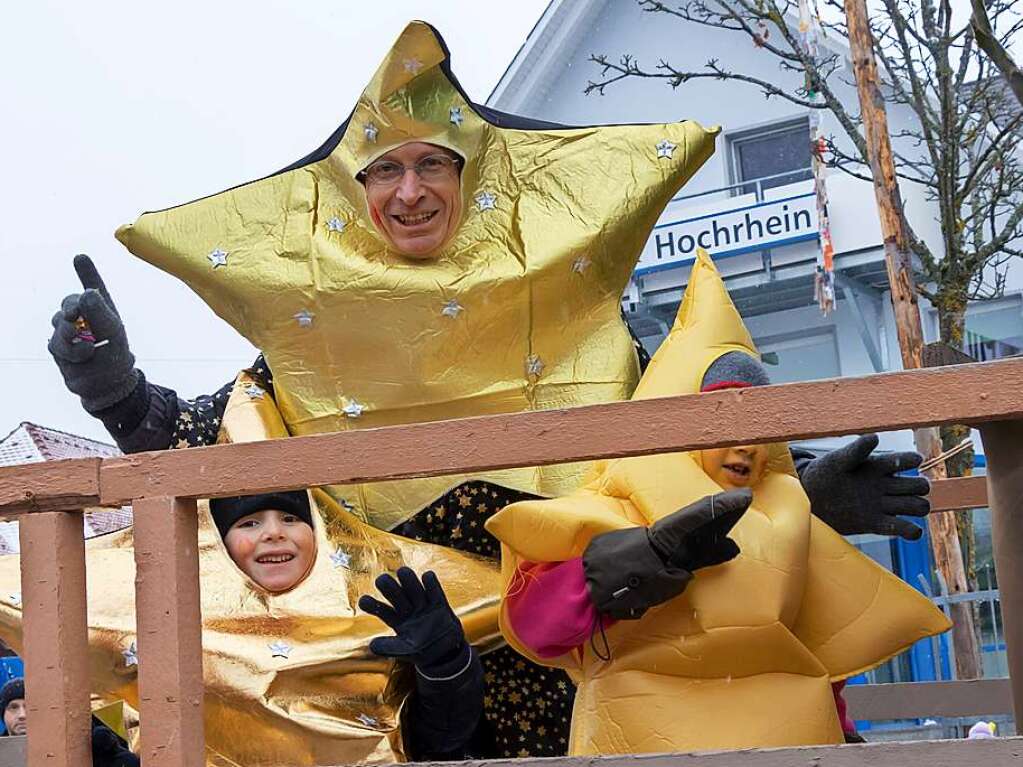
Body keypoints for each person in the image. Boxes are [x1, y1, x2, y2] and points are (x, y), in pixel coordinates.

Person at [46, 22, 931, 759]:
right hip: (426, 679)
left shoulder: (573, 310)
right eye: (384, 171)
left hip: (597, 650)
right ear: (354, 196)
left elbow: (681, 427)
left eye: (432, 165)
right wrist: (116, 390)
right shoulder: (311, 341)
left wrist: (798, 491)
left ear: (472, 178)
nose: (409, 189)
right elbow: (228, 448)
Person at [485, 250, 950, 755]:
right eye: (723, 422)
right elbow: (537, 625)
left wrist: (844, 738)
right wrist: (638, 561)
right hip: (647, 739)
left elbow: (814, 650)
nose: (745, 444)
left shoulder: (788, 513)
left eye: (758, 426)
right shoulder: (615, 501)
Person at [209, 491, 484, 760]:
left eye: (290, 518)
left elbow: (441, 738)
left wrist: (446, 664)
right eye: (249, 523)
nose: (274, 533)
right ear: (220, 543)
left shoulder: (381, 620)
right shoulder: (192, 631)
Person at [0, 678, 139, 766]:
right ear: (3, 714)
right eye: (13, 707)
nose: (22, 715)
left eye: (29, 707)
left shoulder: (77, 747)